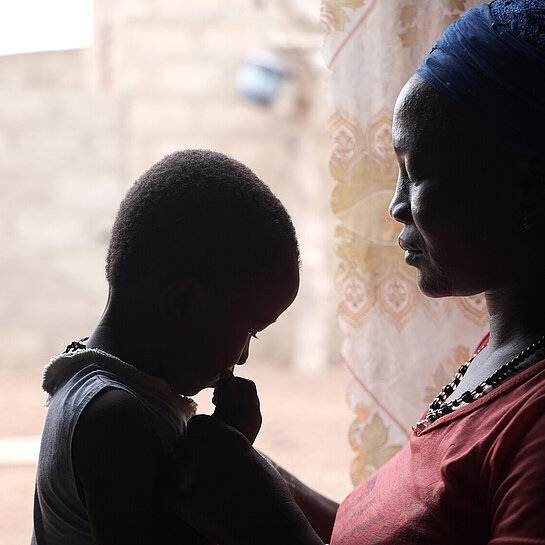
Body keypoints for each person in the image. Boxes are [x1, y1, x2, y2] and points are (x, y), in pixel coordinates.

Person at [164, 1, 545, 544]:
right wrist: (255, 478)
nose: (395, 205)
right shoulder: (503, 357)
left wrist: (263, 523)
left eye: (418, 172)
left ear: (531, 182)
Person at [31, 149, 301, 545]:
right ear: (181, 303)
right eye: (251, 331)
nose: (243, 357)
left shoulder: (111, 389)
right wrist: (230, 457)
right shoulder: (112, 416)